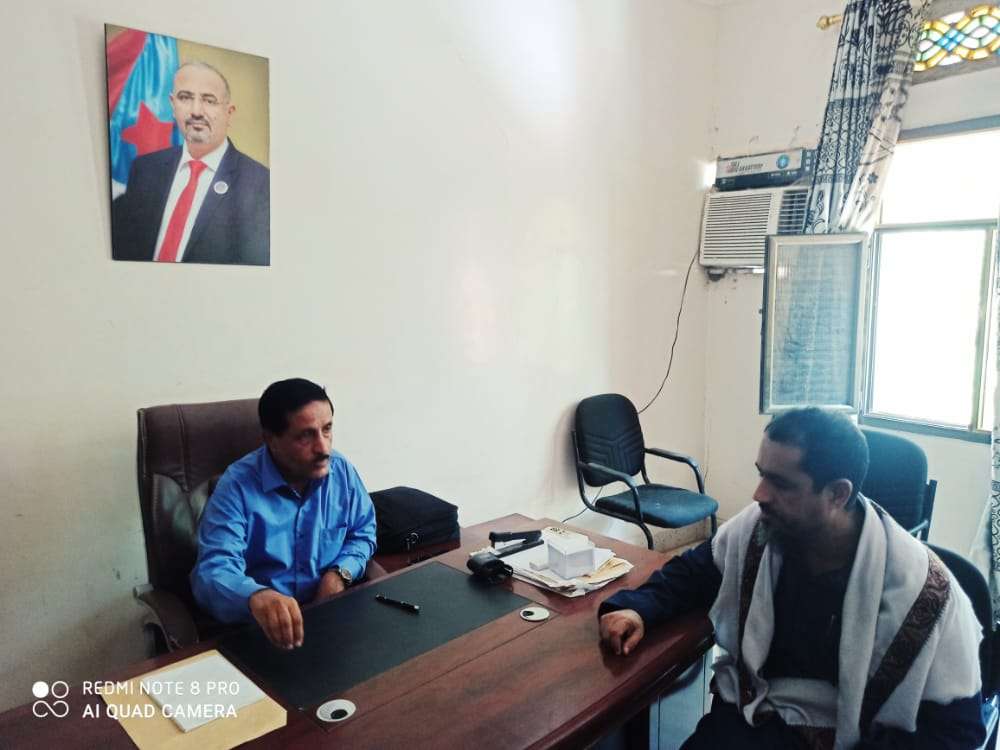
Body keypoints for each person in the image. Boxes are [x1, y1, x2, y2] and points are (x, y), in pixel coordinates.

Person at [598, 408, 984, 748]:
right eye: (761, 474)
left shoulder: (924, 592)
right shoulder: (759, 527)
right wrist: (638, 610)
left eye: (781, 483)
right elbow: (694, 571)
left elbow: (957, 732)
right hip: (750, 718)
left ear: (837, 494)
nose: (759, 494)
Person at [191, 378, 376, 649]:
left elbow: (363, 532)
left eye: (327, 429)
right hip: (263, 633)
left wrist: (339, 574)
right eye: (306, 436)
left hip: (329, 620)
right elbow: (213, 571)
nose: (323, 448)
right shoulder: (236, 487)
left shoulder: (341, 471)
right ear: (271, 440)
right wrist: (257, 596)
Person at [111, 61, 269, 265]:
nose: (196, 111)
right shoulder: (144, 169)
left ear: (229, 112)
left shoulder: (260, 184)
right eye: (185, 98)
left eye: (209, 100)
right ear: (173, 105)